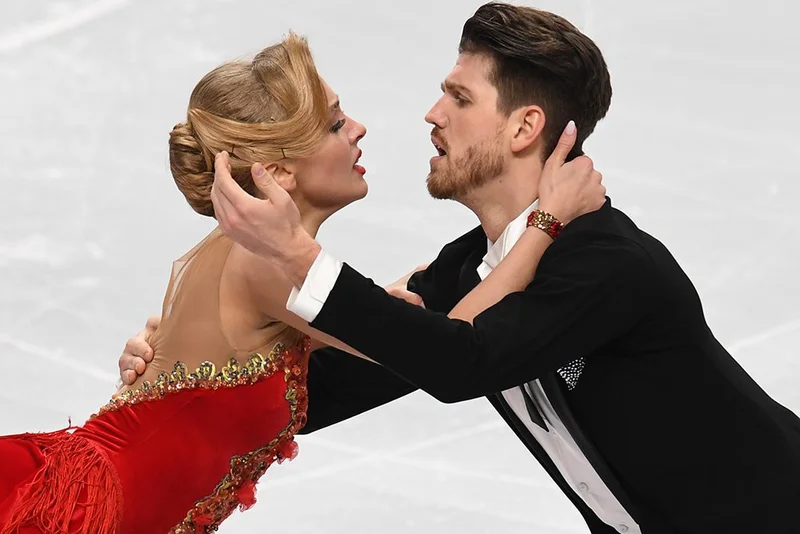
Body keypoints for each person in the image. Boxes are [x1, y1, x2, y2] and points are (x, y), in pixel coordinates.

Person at [187, 3, 800, 534]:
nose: (433, 114)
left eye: (460, 98)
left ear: (525, 127)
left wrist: (298, 255)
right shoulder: (466, 270)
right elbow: (330, 391)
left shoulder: (609, 264)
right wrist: (189, 357)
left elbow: (463, 361)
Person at [0, 30, 605, 534]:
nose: (359, 128)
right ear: (279, 171)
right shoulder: (264, 263)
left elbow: (395, 320)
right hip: (83, 514)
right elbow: (448, 343)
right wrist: (545, 222)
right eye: (336, 123)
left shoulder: (261, 266)